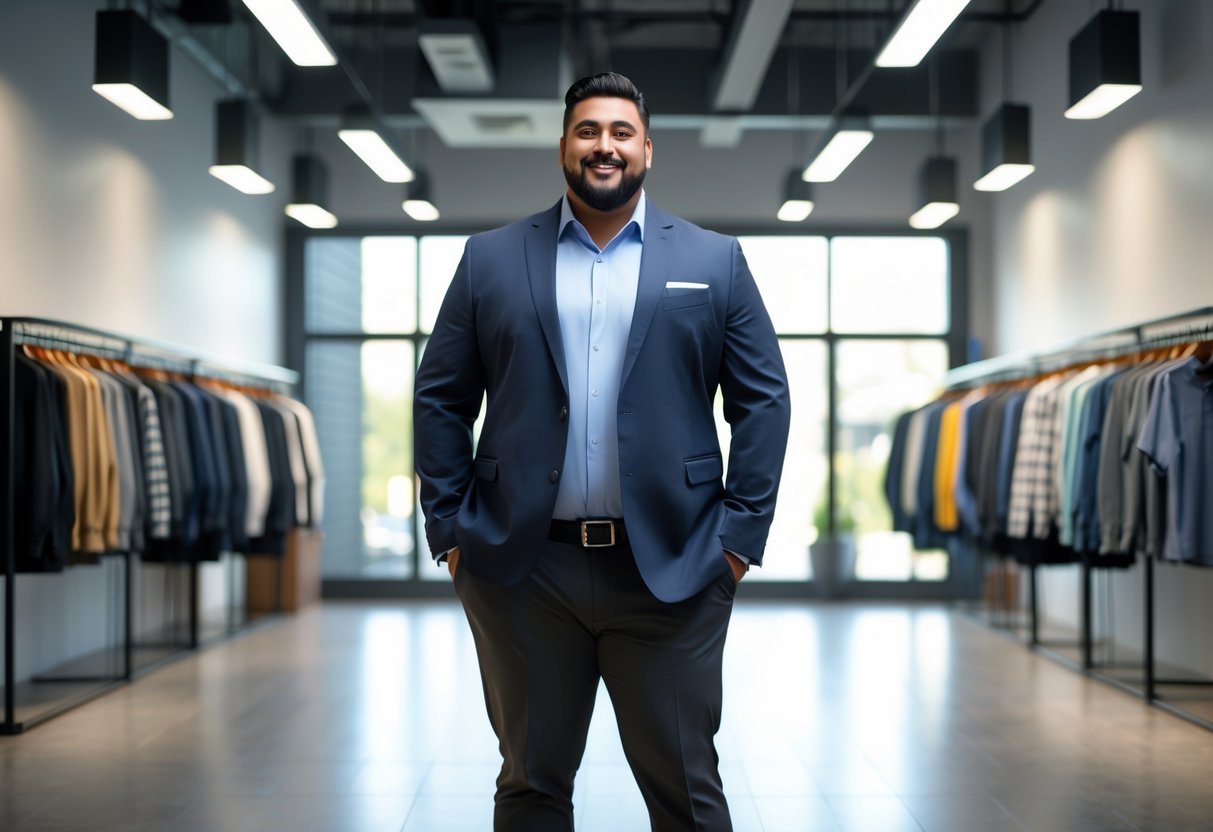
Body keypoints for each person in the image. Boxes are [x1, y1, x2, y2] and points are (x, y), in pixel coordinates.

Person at [414, 71, 791, 831]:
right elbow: (440, 398)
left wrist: (736, 540)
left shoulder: (715, 260)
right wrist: (451, 531)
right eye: (587, 131)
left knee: (687, 787)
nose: (604, 146)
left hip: (674, 569)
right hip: (523, 572)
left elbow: (763, 402)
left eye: (620, 132)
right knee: (530, 786)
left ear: (647, 149)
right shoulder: (488, 260)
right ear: (563, 145)